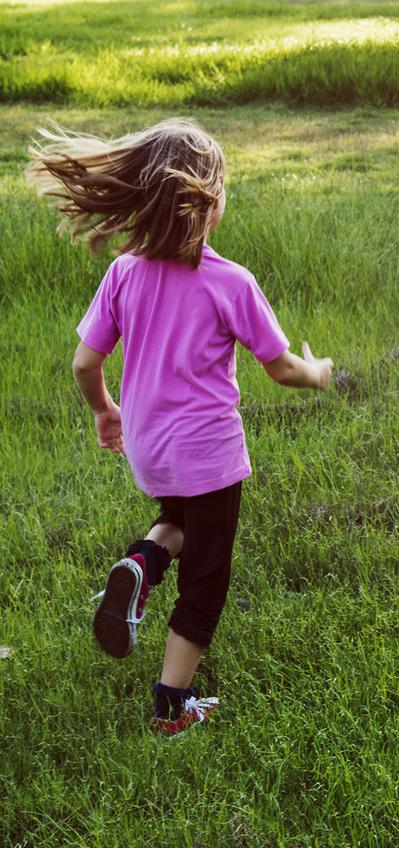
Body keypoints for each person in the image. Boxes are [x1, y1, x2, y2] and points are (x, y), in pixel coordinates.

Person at [27, 118, 333, 736]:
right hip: (209, 454)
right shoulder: (230, 282)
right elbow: (281, 369)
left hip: (150, 448)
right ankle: (172, 706)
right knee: (207, 578)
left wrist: (103, 411)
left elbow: (85, 362)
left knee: (182, 522)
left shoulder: (124, 274)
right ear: (211, 203)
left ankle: (142, 561)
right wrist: (319, 372)